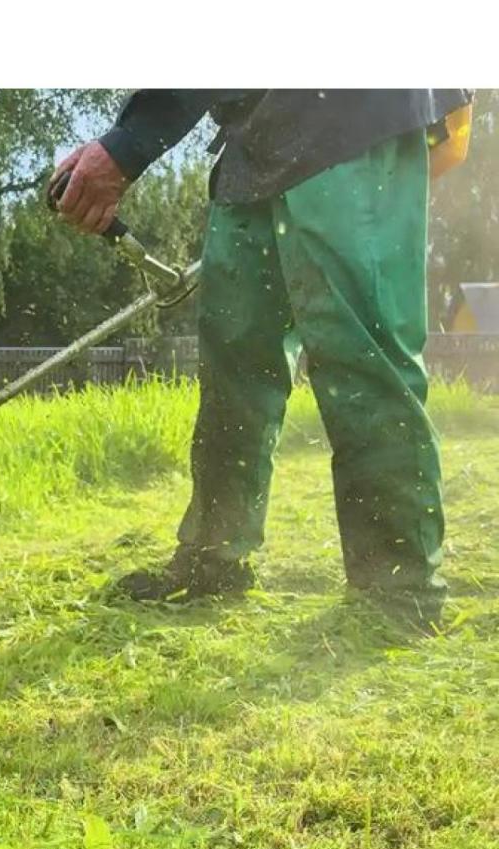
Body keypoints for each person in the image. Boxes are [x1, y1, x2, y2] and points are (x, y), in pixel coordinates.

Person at [51, 89, 473, 628]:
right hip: (253, 137)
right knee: (234, 360)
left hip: (353, 105)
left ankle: (398, 590)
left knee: (359, 355)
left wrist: (128, 144)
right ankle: (214, 557)